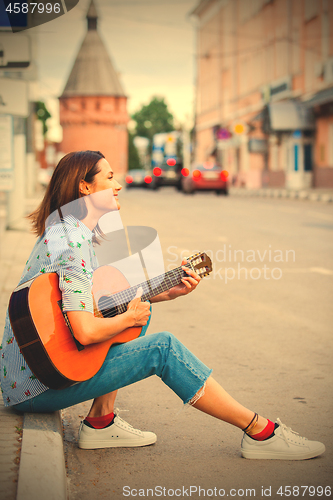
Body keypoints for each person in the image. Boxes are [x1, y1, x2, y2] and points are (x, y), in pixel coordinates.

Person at [0, 150, 325, 460]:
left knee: (139, 313)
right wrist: (129, 315)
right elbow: (84, 331)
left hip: (30, 377)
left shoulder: (66, 230)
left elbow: (95, 305)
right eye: (110, 178)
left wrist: (164, 291)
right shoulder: (73, 243)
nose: (118, 185)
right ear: (85, 186)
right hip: (40, 388)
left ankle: (101, 423)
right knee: (163, 348)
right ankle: (261, 432)